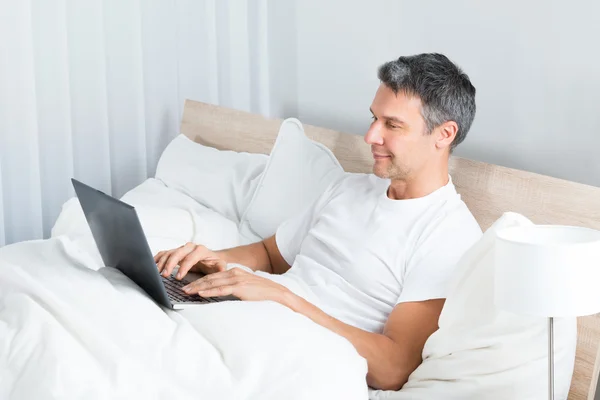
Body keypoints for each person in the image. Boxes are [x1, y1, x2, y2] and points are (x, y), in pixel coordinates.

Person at [153, 53, 482, 391]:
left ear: (444, 134)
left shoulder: (449, 234)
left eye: (392, 125)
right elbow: (269, 255)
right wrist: (212, 260)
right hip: (252, 318)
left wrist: (284, 299)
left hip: (305, 352)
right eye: (373, 119)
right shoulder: (349, 187)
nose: (370, 136)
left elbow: (393, 367)